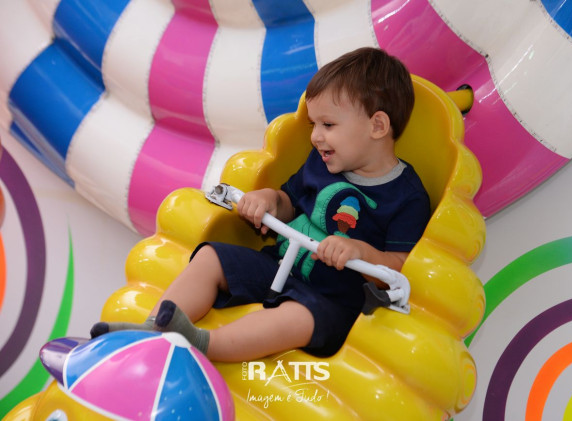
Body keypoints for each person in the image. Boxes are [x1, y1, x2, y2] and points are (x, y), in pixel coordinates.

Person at [91, 47, 431, 361]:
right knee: (211, 257)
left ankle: (204, 344)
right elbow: (288, 201)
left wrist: (360, 252)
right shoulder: (321, 162)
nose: (315, 136)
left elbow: (402, 267)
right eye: (313, 124)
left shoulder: (407, 197)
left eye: (328, 125)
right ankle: (154, 327)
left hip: (331, 300)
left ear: (377, 126)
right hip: (279, 264)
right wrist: (266, 200)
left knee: (298, 317)